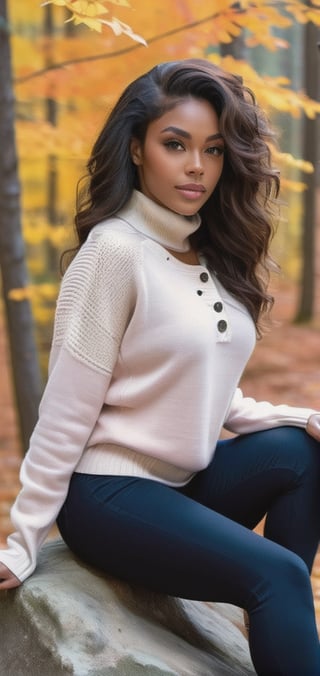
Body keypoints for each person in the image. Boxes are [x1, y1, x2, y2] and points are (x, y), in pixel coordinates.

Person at [1, 58, 320, 675]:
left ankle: (271, 620)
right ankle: (273, 596)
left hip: (182, 486)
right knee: (279, 572)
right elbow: (65, 412)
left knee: (304, 454)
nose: (197, 166)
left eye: (214, 150)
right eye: (176, 145)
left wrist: (301, 417)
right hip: (109, 495)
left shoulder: (207, 253)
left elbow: (209, 396)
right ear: (139, 149)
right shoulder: (113, 253)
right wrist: (23, 541)